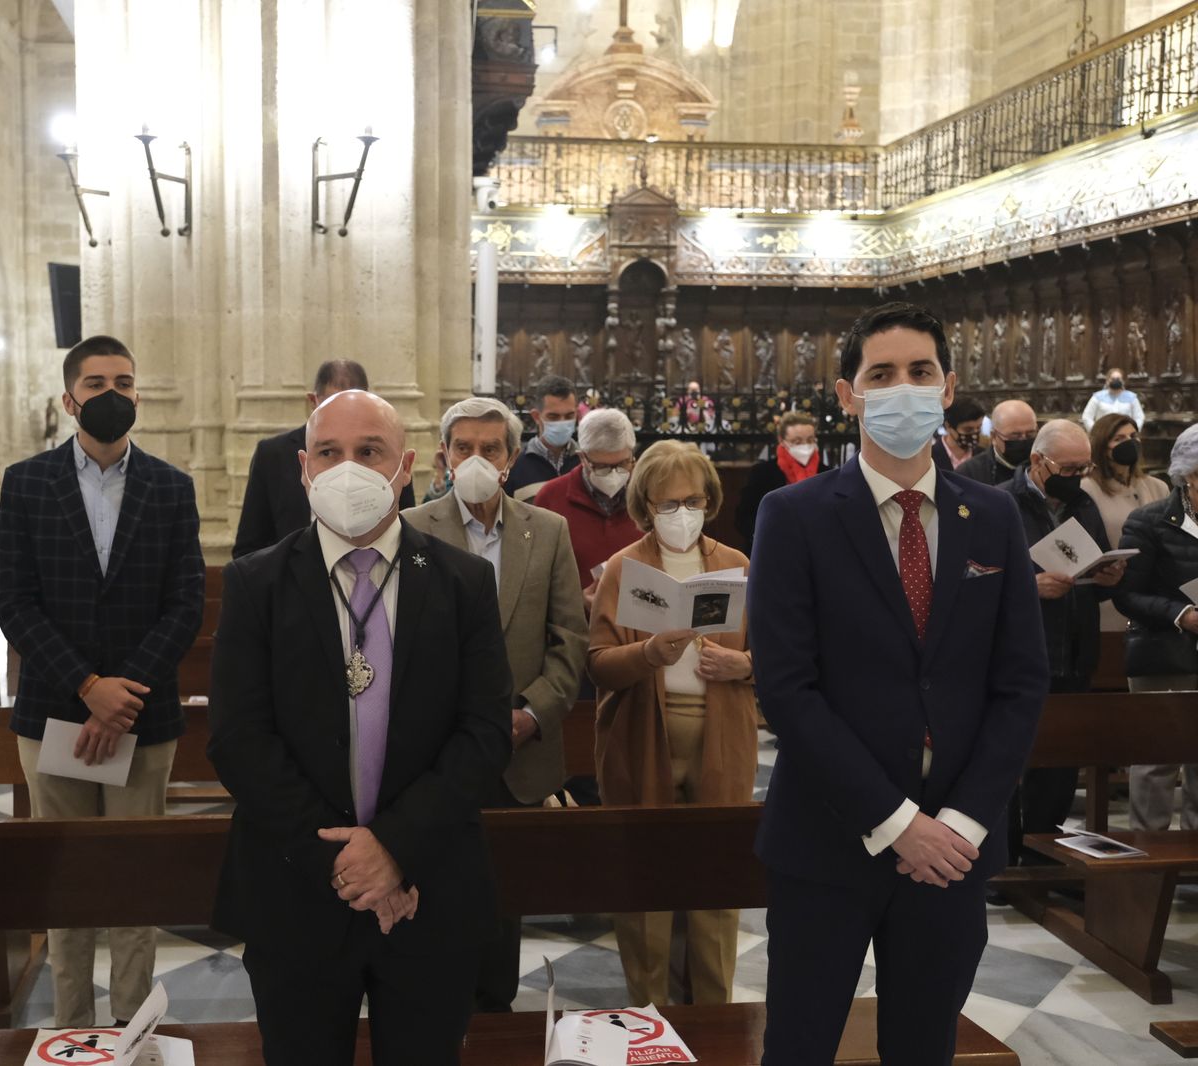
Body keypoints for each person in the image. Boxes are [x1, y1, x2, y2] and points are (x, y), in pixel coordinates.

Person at [747, 302, 1048, 1065]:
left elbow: (1020, 683)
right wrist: (896, 822)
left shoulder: (993, 516)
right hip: (828, 837)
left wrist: (963, 824)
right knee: (800, 1047)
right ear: (848, 395)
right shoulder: (794, 515)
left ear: (947, 388)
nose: (903, 388)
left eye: (921, 371)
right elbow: (786, 688)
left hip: (953, 848)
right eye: (881, 375)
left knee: (924, 1047)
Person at [207, 389, 512, 1065]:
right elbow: (238, 738)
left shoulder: (462, 582)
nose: (348, 468)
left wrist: (395, 848)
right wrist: (349, 865)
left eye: (369, 451)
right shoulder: (257, 584)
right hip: (296, 890)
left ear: (405, 467)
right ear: (304, 469)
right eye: (329, 452)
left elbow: (485, 731)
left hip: (428, 889)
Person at [0, 334, 205, 1028]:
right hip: (55, 712)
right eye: (95, 384)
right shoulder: (27, 482)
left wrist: (121, 696)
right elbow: (13, 600)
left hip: (143, 718)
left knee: (133, 882)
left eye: (123, 383)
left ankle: (134, 1029)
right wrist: (89, 688)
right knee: (67, 883)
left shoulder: (171, 487)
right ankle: (75, 1032)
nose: (111, 395)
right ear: (68, 399)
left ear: (137, 394)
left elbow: (185, 604)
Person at [402, 396, 587, 1012]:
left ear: (510, 458)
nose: (476, 458)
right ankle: (430, 1018)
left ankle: (494, 1020)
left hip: (518, 755)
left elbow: (569, 640)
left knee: (501, 909)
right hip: (433, 755)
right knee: (428, 900)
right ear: (444, 456)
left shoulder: (548, 530)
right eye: (464, 447)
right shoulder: (412, 528)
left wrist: (531, 713)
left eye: (490, 448)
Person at [587, 440, 757, 1010]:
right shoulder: (624, 568)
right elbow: (598, 664)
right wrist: (647, 654)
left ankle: (713, 1014)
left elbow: (779, 655)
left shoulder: (736, 565)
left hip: (721, 735)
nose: (681, 514)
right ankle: (649, 1012)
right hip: (642, 738)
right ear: (645, 507)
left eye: (692, 501)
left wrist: (742, 665)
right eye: (667, 504)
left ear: (709, 501)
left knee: (717, 882)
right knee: (646, 883)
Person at [999, 419, 1123, 866]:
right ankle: (1004, 857)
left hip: (1074, 651)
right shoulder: (1000, 503)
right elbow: (972, 581)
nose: (1078, 477)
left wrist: (1107, 578)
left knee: (1061, 764)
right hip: (1019, 655)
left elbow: (1091, 569)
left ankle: (1042, 854)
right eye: (1069, 469)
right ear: (1038, 461)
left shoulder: (1082, 504)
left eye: (1084, 468)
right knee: (1009, 761)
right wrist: (1029, 587)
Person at [232, 359, 415, 557]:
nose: (344, 415)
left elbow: (406, 533)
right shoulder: (273, 454)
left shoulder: (389, 453)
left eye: (367, 453)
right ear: (313, 401)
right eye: (327, 453)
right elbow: (249, 546)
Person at [1114, 424, 1198, 831]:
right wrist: (1181, 614)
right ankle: (1148, 858)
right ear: (1190, 474)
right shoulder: (1148, 521)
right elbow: (1126, 594)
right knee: (1156, 763)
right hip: (1163, 655)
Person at [533, 408, 641, 602]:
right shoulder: (550, 498)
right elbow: (538, 576)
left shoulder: (646, 494)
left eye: (623, 464)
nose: (614, 475)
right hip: (575, 617)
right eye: (602, 467)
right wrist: (577, 601)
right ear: (582, 457)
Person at [1082, 414, 1168, 634]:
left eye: (1133, 436)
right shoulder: (1087, 489)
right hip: (1109, 598)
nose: (1130, 442)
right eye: (1119, 439)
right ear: (1102, 447)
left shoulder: (1157, 487)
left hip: (1154, 598)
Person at [735, 410, 827, 549]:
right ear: (782, 440)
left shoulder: (826, 473)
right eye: (797, 441)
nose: (805, 446)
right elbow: (744, 517)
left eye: (810, 440)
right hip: (773, 546)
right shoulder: (763, 473)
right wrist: (766, 537)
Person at [504, 374, 580, 500]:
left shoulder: (586, 463)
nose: (562, 422)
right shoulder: (514, 466)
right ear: (536, 416)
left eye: (569, 416)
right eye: (553, 417)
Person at [958, 399, 1038, 487]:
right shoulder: (969, 473)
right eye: (1015, 436)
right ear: (994, 437)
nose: (1023, 440)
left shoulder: (1042, 466)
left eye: (1030, 434)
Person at [932, 397, 985, 472]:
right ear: (948, 426)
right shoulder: (929, 458)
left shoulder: (985, 456)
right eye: (968, 429)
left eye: (979, 428)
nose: (974, 433)